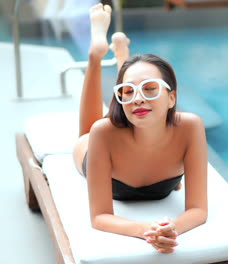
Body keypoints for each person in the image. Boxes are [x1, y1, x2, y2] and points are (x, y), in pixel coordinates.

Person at [72, 3, 208, 254]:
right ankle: (96, 54)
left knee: (126, 98)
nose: (137, 98)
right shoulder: (104, 132)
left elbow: (198, 210)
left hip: (150, 164)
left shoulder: (190, 127)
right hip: (100, 157)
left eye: (150, 88)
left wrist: (170, 230)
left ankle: (124, 60)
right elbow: (100, 216)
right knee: (88, 133)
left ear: (172, 98)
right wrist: (147, 230)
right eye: (128, 91)